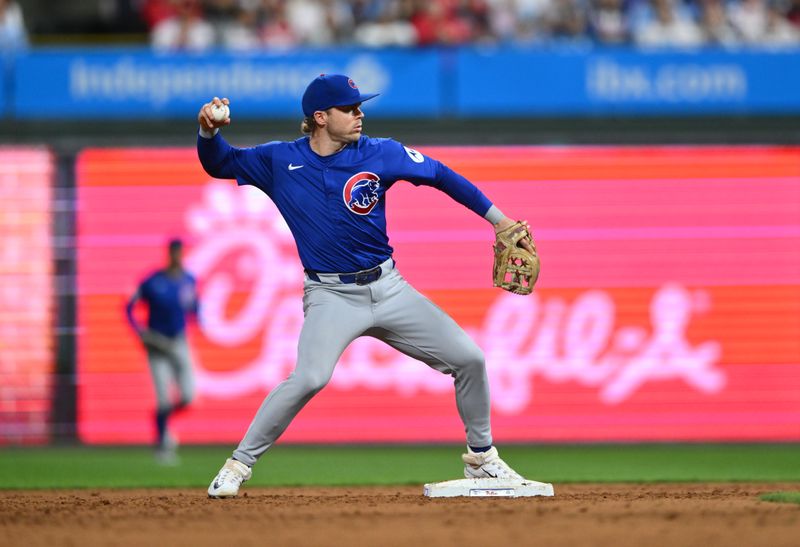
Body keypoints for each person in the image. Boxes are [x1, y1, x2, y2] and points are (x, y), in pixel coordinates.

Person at [197, 73, 537, 498]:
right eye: (349, 108)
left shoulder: (381, 152)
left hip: (388, 287)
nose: (360, 115)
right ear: (320, 117)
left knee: (469, 359)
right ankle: (238, 464)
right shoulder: (279, 161)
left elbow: (442, 176)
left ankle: (483, 461)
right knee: (309, 378)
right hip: (331, 295)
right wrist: (208, 131)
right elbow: (219, 163)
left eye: (360, 106)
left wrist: (500, 220)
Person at [126, 238, 199, 464]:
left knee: (188, 396)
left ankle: (161, 420)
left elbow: (195, 307)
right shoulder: (153, 281)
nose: (177, 256)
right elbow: (128, 307)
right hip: (157, 343)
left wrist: (197, 321)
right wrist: (140, 333)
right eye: (174, 252)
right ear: (169, 254)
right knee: (164, 399)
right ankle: (162, 444)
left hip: (178, 341)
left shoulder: (188, 280)